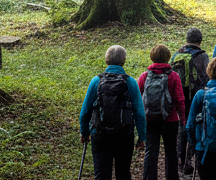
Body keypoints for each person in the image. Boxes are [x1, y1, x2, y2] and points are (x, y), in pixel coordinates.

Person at [78, 45, 146, 180]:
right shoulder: (130, 82)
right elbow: (139, 112)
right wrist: (142, 137)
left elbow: (85, 111)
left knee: (102, 175)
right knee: (123, 173)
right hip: (124, 135)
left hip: (100, 134)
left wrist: (85, 132)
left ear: (106, 60)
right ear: (124, 61)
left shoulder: (96, 81)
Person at [137, 44, 185, 180]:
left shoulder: (144, 76)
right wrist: (183, 119)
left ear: (152, 57)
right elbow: (179, 99)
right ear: (168, 58)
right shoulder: (174, 76)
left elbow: (138, 98)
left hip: (150, 119)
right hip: (170, 120)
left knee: (151, 151)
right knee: (171, 151)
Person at [172, 28, 209, 175]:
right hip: (196, 95)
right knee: (195, 126)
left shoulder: (176, 55)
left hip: (179, 96)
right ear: (200, 41)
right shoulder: (202, 55)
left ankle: (180, 160)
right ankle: (192, 159)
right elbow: (207, 76)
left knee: (182, 126)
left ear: (187, 39)